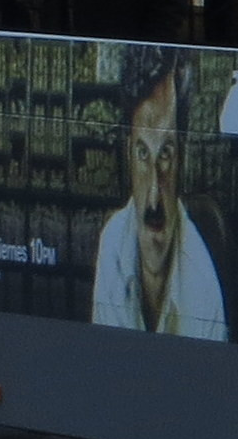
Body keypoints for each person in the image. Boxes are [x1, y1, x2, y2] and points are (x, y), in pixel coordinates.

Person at [90, 53, 227, 340]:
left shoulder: (203, 287)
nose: (153, 198)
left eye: (165, 153)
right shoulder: (113, 241)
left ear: (183, 157)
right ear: (128, 153)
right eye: (143, 153)